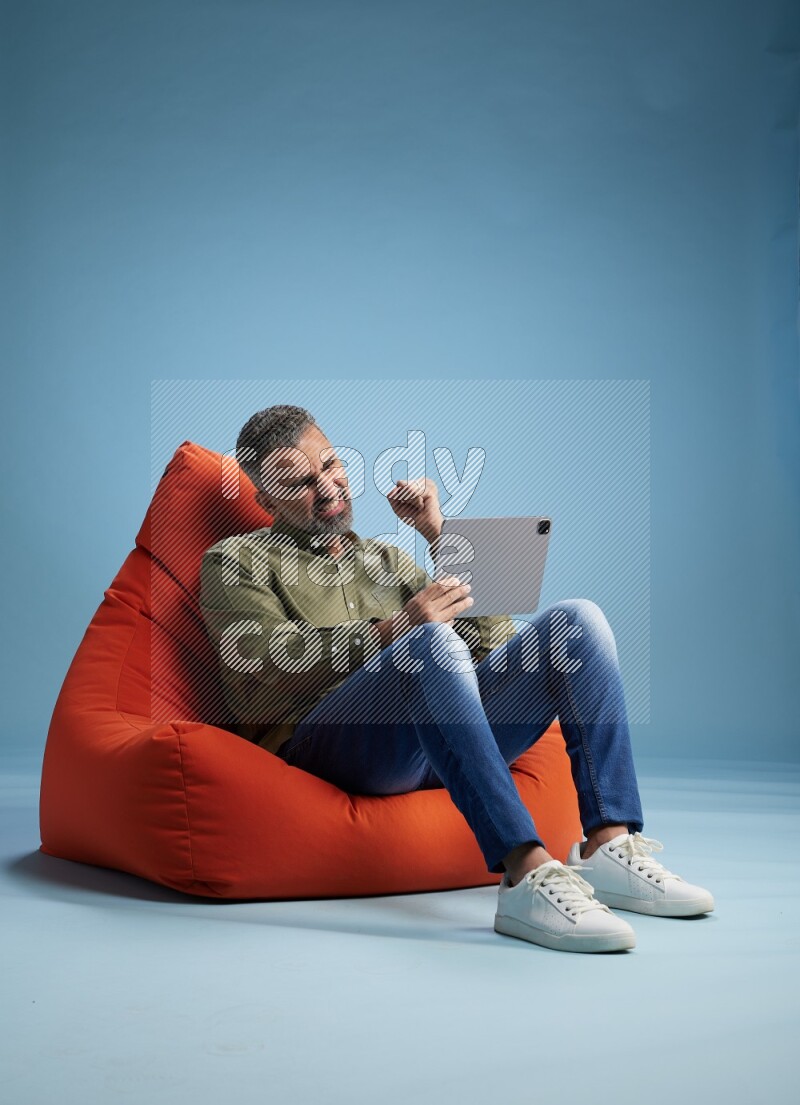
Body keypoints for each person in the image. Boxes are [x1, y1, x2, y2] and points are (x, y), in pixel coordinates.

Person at [199, 404, 714, 954]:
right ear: (266, 499)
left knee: (577, 622)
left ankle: (608, 845)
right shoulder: (235, 560)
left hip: (435, 742)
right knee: (427, 643)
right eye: (300, 482)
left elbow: (492, 646)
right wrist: (391, 632)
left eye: (330, 465)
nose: (327, 487)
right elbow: (258, 660)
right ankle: (524, 873)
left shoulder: (387, 561)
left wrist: (438, 534)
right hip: (330, 748)